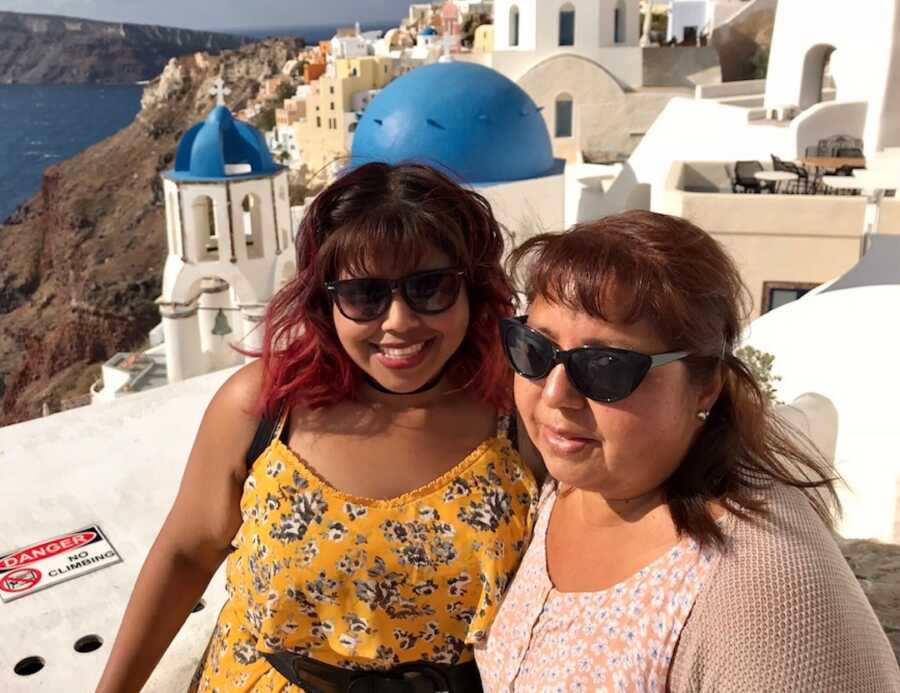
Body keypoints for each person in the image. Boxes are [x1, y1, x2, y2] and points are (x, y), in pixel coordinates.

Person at [97, 162, 540, 693]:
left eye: (430, 287)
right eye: (364, 295)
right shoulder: (263, 407)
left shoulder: (520, 415)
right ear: (325, 302)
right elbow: (187, 552)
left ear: (472, 290)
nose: (398, 320)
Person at [476, 211, 900, 692]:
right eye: (534, 349)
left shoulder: (763, 593)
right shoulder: (569, 481)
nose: (555, 394)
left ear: (704, 386)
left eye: (606, 367)